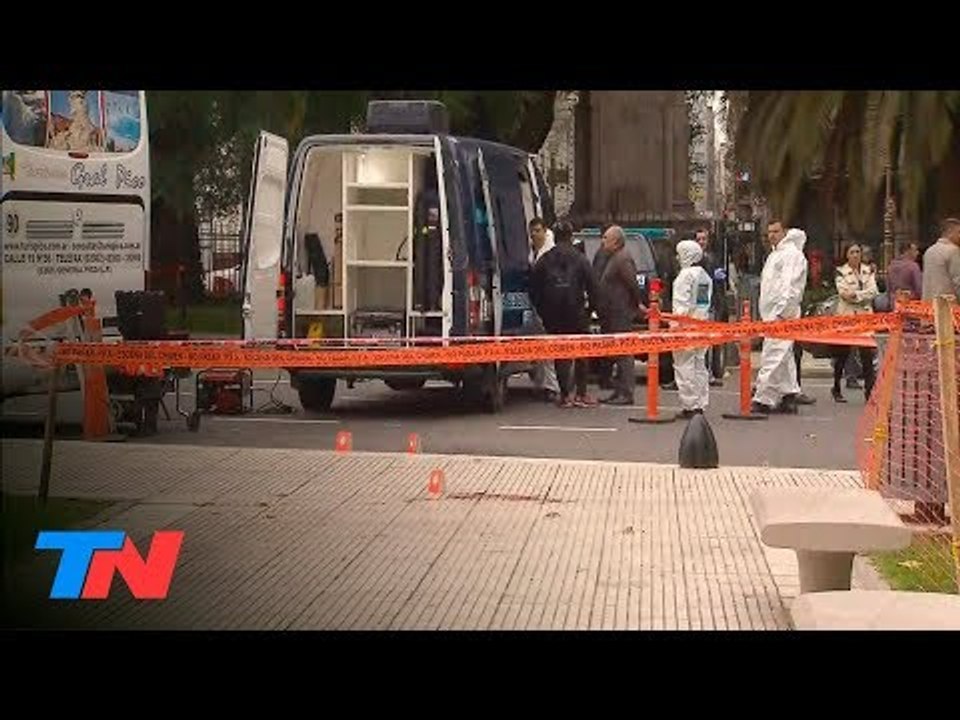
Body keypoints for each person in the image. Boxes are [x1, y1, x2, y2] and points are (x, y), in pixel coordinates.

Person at [529, 220, 599, 408]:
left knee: (561, 354)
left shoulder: (545, 259)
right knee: (581, 352)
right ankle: (581, 394)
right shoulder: (580, 258)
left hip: (554, 314)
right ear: (571, 236)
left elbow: (534, 290)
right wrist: (590, 310)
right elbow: (593, 287)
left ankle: (565, 394)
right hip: (576, 312)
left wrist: (544, 312)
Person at [751, 220, 808, 414]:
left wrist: (782, 313)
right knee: (783, 356)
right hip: (774, 315)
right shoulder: (777, 255)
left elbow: (789, 286)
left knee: (773, 355)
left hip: (781, 316)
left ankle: (763, 398)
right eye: (769, 232)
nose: (771, 235)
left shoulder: (790, 255)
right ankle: (788, 394)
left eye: (775, 231)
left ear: (785, 232)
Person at [597, 225, 645, 405]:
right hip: (611, 312)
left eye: (605, 238)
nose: (603, 241)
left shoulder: (623, 259)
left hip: (620, 312)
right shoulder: (613, 257)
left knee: (624, 353)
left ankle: (626, 392)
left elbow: (632, 284)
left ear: (616, 242)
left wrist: (637, 304)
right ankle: (619, 390)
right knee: (617, 353)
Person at [830, 243, 878, 403]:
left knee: (867, 355)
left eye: (858, 251)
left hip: (865, 317)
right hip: (847, 317)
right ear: (847, 255)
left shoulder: (868, 270)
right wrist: (862, 295)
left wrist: (857, 296)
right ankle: (836, 386)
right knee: (842, 354)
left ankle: (869, 391)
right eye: (852, 252)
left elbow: (874, 291)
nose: (856, 255)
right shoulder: (840, 272)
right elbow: (844, 293)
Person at [671, 240, 713, 418]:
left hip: (686, 327)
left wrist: (676, 328)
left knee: (684, 366)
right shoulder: (704, 275)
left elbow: (681, 306)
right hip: (701, 325)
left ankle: (689, 404)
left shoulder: (685, 276)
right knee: (699, 365)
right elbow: (702, 303)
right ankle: (700, 403)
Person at [528, 218, 561, 402]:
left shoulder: (550, 254)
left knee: (549, 349)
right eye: (532, 231)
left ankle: (553, 386)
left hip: (549, 307)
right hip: (538, 306)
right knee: (541, 348)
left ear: (545, 231)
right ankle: (542, 384)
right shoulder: (534, 251)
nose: (534, 235)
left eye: (538, 231)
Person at [695, 226, 726, 387]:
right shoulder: (693, 260)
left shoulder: (714, 259)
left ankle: (711, 372)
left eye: (704, 239)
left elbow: (720, 281)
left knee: (711, 342)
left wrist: (718, 303)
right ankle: (703, 373)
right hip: (698, 306)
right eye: (698, 239)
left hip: (711, 304)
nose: (701, 242)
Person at [922, 217, 960, 301]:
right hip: (946, 305)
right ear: (950, 232)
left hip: (928, 303)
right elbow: (958, 281)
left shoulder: (929, 251)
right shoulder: (953, 250)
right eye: (958, 232)